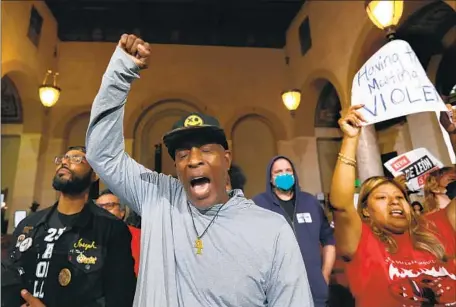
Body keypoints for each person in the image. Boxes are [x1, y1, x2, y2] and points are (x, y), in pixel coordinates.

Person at [86, 33, 313, 307]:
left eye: (206, 150)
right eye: (182, 154)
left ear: (227, 159)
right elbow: (102, 154)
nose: (193, 160)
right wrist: (121, 72)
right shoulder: (159, 199)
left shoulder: (271, 229)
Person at [330, 105, 456, 307]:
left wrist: (453, 133)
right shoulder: (362, 242)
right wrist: (350, 139)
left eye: (400, 197)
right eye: (382, 198)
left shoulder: (434, 227)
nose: (395, 201)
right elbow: (340, 205)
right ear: (364, 210)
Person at [7, 146, 136, 307]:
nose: (65, 162)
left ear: (94, 174)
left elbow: (121, 297)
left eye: (76, 159)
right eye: (62, 158)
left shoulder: (110, 228)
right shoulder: (29, 225)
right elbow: (9, 279)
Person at [253, 156, 336, 307]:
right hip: (279, 296)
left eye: (288, 170)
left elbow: (328, 240)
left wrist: (325, 275)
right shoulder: (259, 205)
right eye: (278, 172)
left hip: (315, 293)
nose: (284, 175)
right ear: (270, 179)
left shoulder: (310, 202)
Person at [96, 189, 141, 276]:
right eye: (99, 207)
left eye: (110, 205)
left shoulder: (140, 236)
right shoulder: (86, 235)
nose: (104, 210)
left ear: (122, 212)